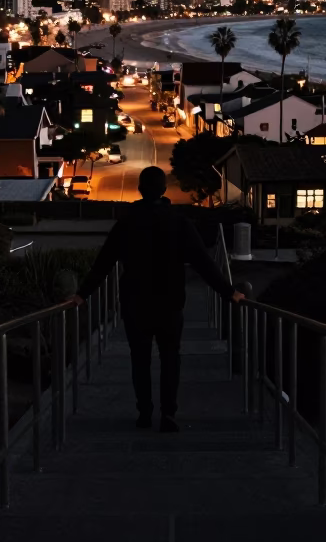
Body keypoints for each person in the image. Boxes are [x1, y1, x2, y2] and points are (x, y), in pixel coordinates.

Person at [74, 166, 246, 432]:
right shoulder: (179, 222)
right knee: (170, 358)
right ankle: (169, 414)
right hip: (170, 303)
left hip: (135, 303)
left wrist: (81, 294)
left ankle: (144, 412)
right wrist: (229, 292)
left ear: (140, 189)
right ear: (164, 190)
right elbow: (203, 263)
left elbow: (102, 264)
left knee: (139, 360)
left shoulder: (127, 222)